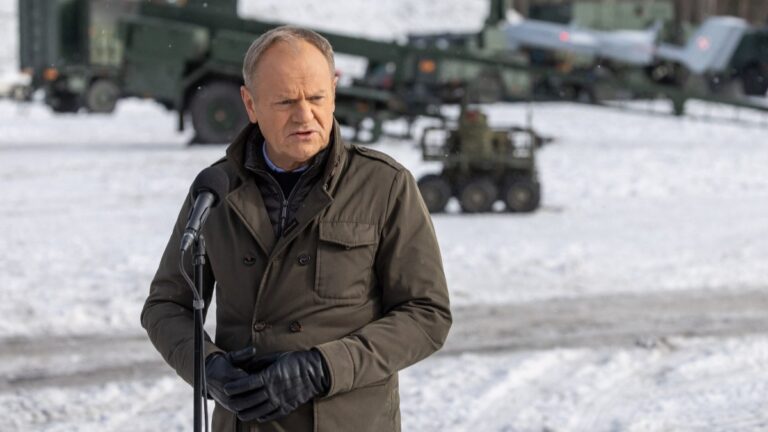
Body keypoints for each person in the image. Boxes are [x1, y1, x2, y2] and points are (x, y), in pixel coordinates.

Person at [141, 25, 451, 432]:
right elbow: (166, 305)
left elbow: (427, 314)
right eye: (286, 101)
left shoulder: (384, 185)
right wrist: (208, 369)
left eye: (317, 97)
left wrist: (324, 367)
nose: (305, 116)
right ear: (250, 104)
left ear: (334, 91)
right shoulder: (215, 191)